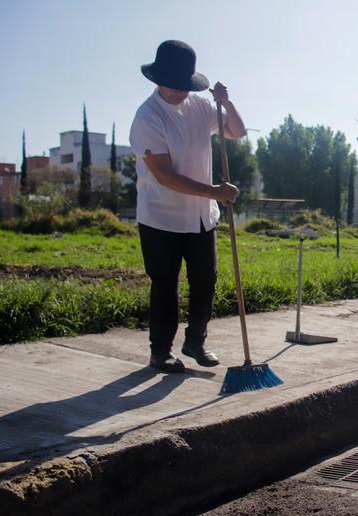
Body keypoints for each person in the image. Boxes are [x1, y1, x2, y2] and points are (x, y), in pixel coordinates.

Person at [130, 40, 245, 372]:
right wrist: (214, 192)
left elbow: (236, 131)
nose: (181, 91)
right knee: (166, 284)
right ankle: (160, 351)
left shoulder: (199, 106)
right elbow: (165, 176)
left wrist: (225, 102)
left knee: (206, 280)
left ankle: (196, 342)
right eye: (174, 85)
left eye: (185, 85)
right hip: (161, 215)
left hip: (199, 217)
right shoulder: (147, 118)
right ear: (158, 79)